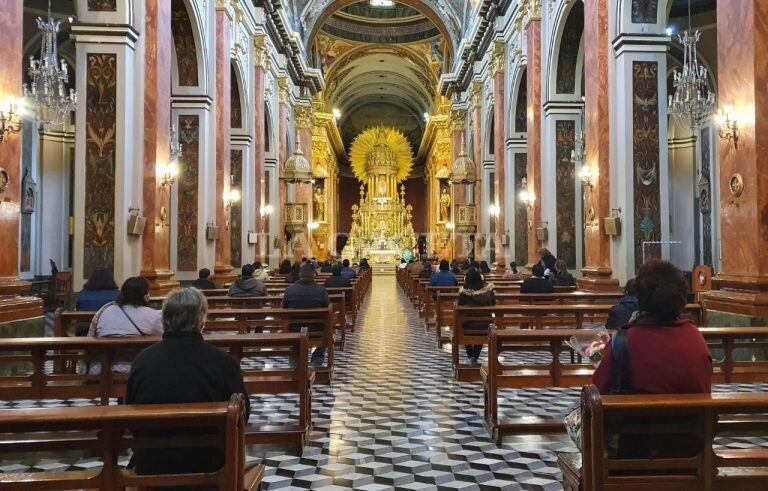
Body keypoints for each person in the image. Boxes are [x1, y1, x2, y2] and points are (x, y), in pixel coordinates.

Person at [589, 260, 712, 458]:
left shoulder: (624, 340)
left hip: (634, 452)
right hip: (689, 452)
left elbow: (597, 395)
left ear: (640, 298)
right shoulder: (695, 338)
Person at [126, 287, 249, 477]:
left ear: (164, 319)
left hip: (153, 464)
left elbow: (131, 412)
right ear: (201, 321)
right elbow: (243, 415)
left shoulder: (142, 360)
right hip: (210, 466)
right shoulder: (222, 362)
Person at [87, 277, 163, 373]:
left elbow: (91, 336)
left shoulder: (105, 310)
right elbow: (164, 338)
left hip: (101, 370)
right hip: (137, 369)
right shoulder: (154, 316)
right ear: (145, 296)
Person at [283, 263, 331, 367]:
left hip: (294, 329)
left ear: (300, 274)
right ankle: (317, 358)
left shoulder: (289, 290)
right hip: (317, 330)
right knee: (328, 327)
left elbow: (284, 309)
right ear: (314, 274)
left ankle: (294, 359)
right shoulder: (321, 291)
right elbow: (328, 310)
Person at [457, 268, 495, 366]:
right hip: (485, 324)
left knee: (462, 325)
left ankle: (471, 356)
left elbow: (460, 305)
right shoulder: (488, 290)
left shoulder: (464, 291)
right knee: (481, 324)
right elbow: (494, 303)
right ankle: (475, 357)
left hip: (468, 324)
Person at [76, 269, 120, 336]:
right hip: (112, 328)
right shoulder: (118, 294)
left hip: (85, 328)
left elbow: (78, 309)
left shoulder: (83, 294)